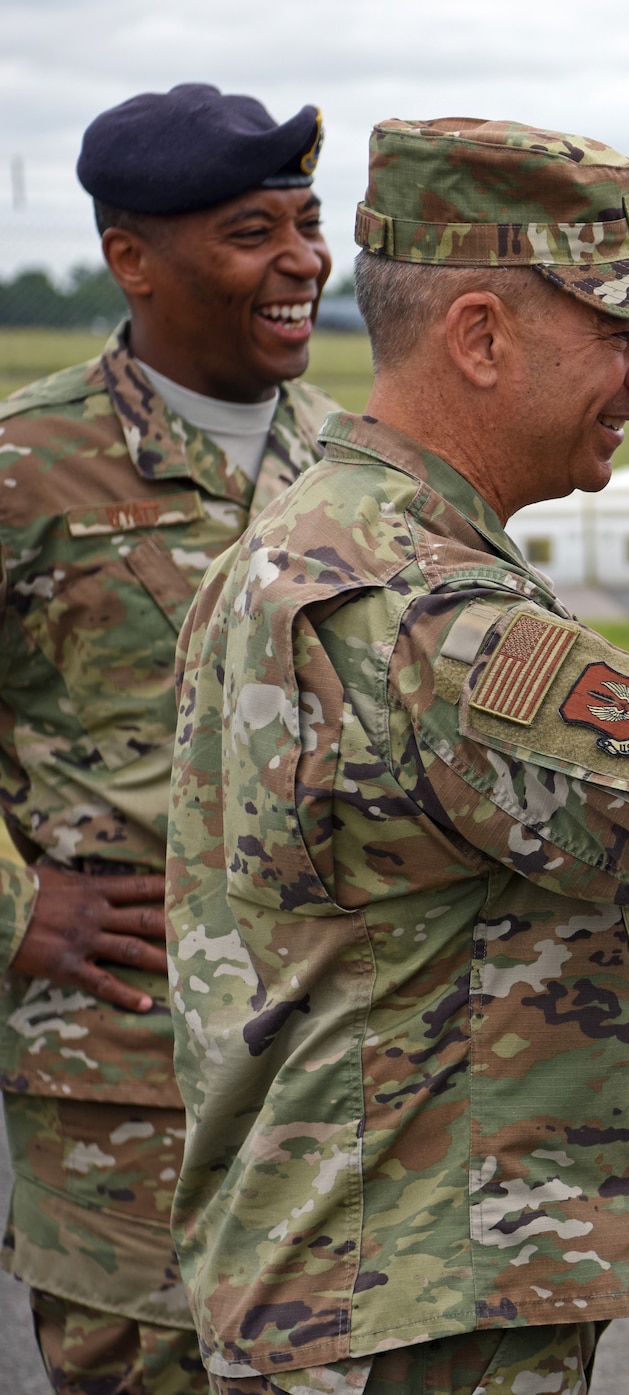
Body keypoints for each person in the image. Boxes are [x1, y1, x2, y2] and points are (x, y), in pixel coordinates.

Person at [166, 117, 629, 1395]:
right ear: (482, 338)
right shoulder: (434, 617)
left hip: (353, 1282)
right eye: (616, 331)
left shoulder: (314, 537)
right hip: (413, 1307)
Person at [0, 84, 337, 1394]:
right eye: (256, 229)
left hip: (333, 1076)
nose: (304, 258)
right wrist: (16, 909)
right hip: (126, 1090)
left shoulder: (354, 469)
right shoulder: (28, 468)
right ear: (132, 257)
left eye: (308, 224)